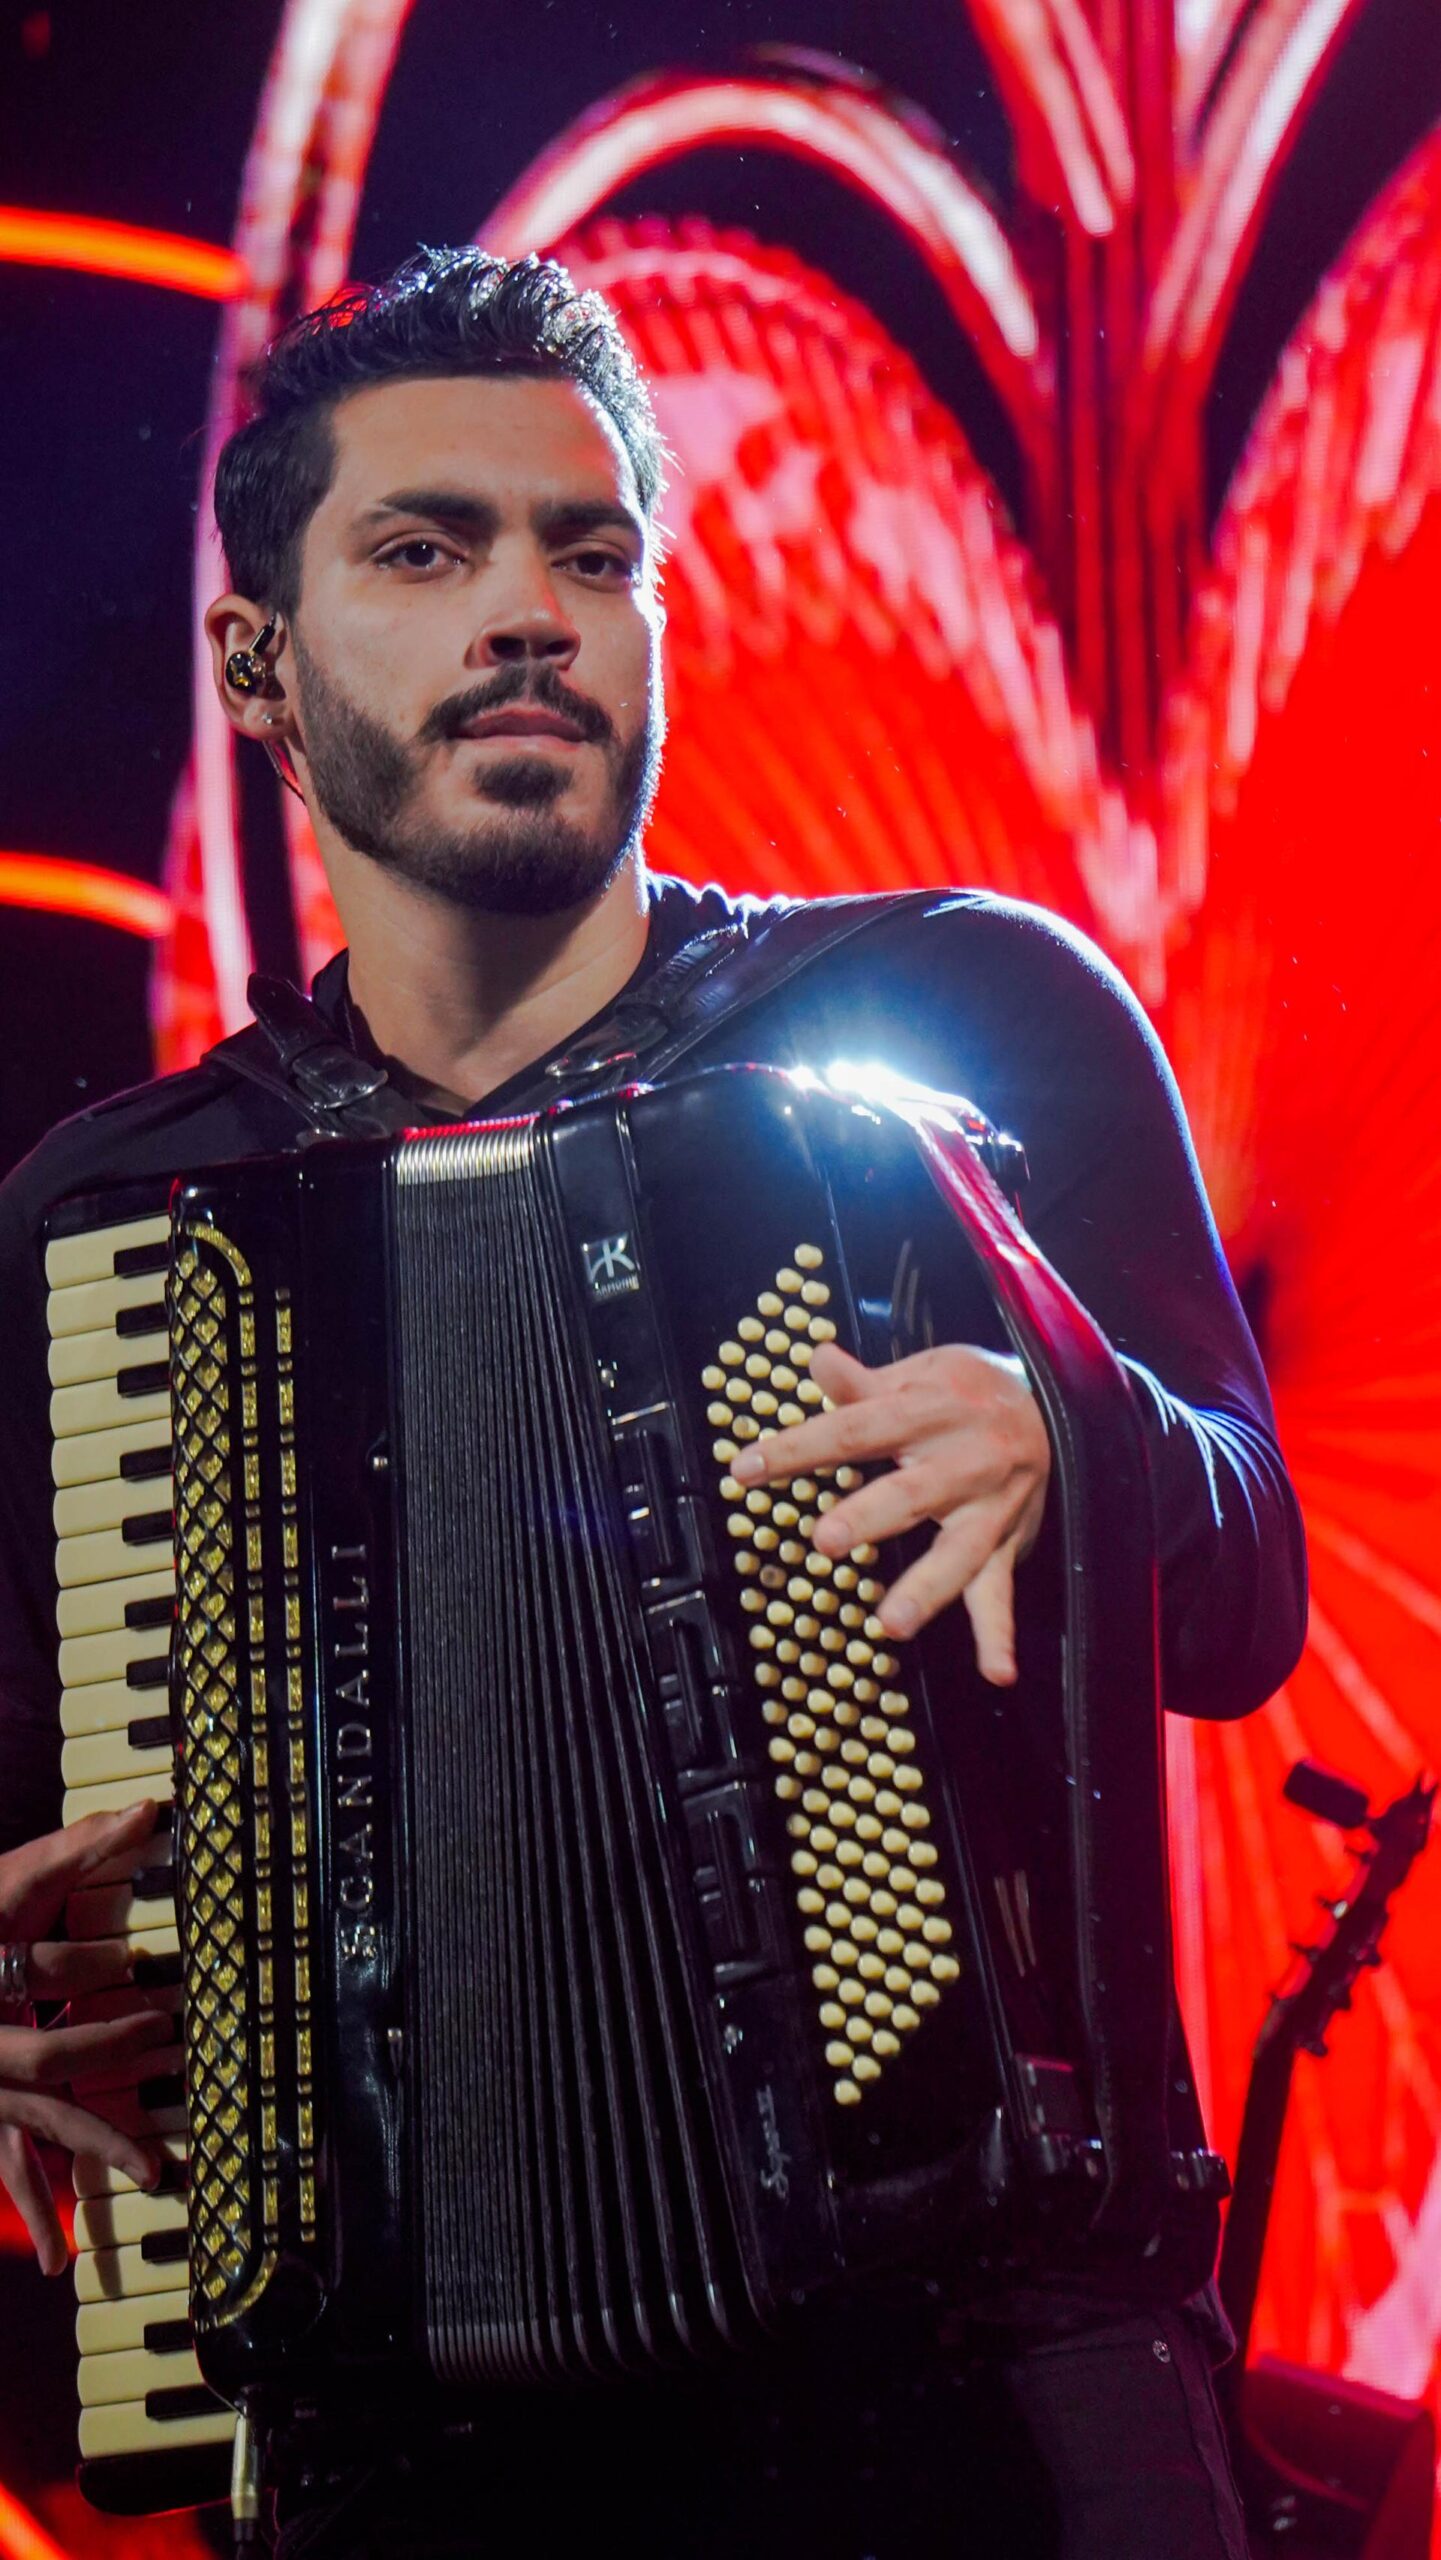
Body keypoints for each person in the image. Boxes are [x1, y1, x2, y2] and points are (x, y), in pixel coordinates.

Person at [0, 247, 1306, 2557]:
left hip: (990, 2397)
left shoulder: (971, 1012)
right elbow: (36, 1827)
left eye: (590, 556)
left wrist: (1074, 1434)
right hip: (402, 2446)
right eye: (428, 551)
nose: (531, 611)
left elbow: (1246, 1591)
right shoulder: (119, 1221)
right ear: (256, 666)